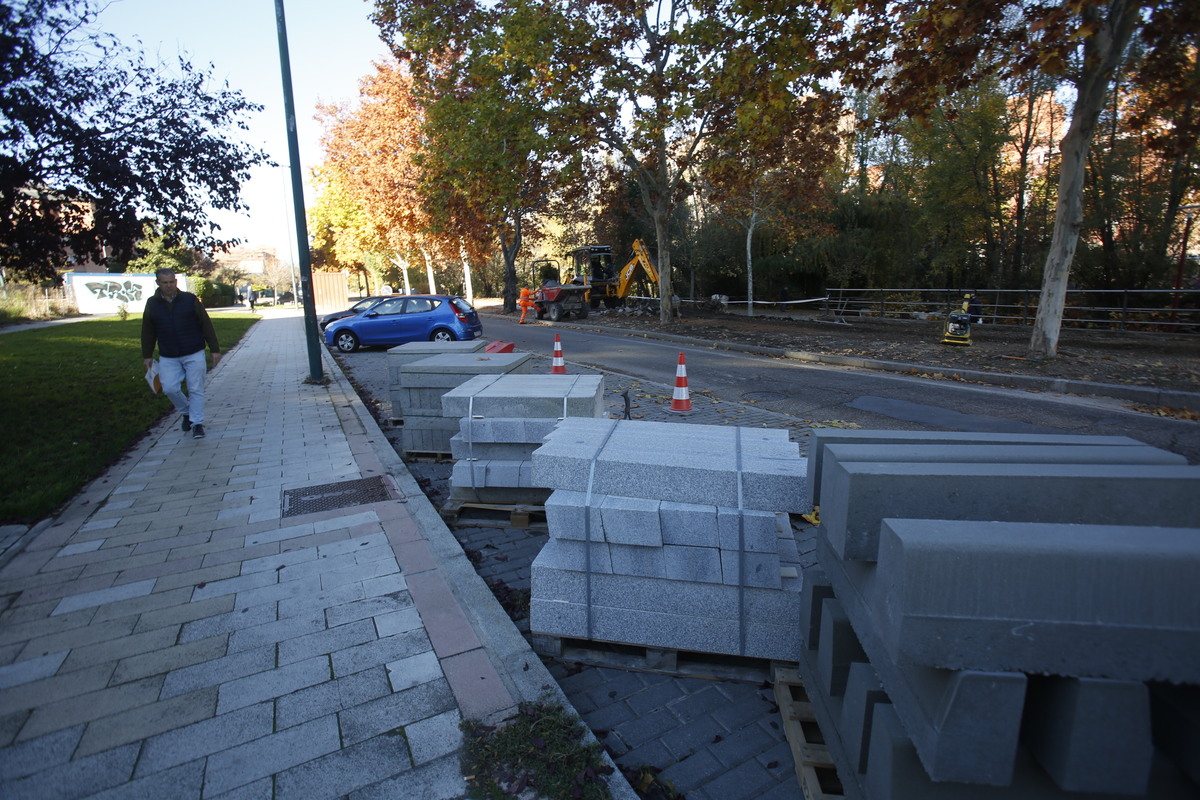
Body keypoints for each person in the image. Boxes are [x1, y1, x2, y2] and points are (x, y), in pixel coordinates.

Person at [141, 269, 222, 439]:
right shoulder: (152, 304)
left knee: (195, 388)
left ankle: (197, 423)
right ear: (158, 283)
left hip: (194, 351)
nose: (169, 285)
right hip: (168, 354)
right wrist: (147, 354)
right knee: (169, 388)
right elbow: (148, 330)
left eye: (172, 281)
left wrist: (214, 349)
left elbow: (206, 324)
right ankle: (186, 412)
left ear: (176, 282)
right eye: (165, 282)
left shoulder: (189, 300)